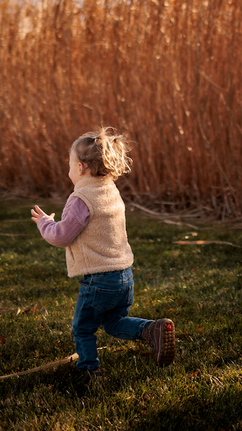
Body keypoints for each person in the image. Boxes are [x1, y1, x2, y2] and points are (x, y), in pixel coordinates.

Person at [31, 128, 175, 377]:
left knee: (83, 328)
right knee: (114, 323)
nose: (68, 171)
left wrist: (45, 223)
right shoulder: (110, 191)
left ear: (80, 167)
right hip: (124, 276)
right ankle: (151, 329)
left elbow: (62, 236)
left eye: (69, 166)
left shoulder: (81, 198)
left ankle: (89, 369)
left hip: (99, 280)